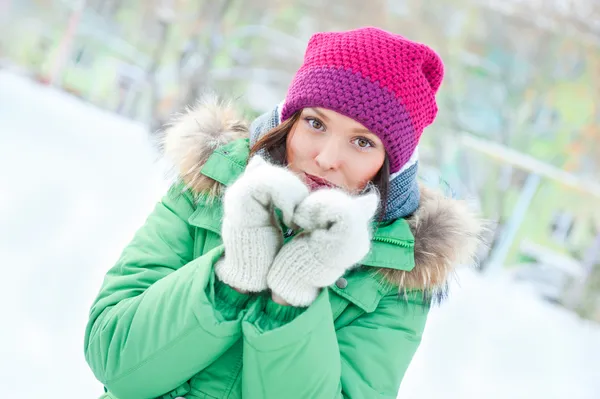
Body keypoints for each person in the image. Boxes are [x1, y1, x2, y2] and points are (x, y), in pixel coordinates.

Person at [84, 27, 482, 399]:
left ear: (390, 167)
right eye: (315, 123)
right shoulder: (209, 187)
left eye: (362, 142)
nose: (326, 158)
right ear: (288, 123)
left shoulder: (397, 276)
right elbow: (113, 356)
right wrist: (230, 280)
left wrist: (291, 303)